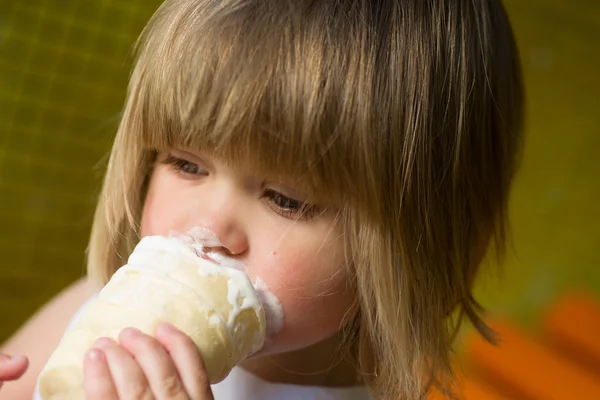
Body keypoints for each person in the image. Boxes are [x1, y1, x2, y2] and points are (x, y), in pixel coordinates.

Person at [0, 0, 524, 398]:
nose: (206, 226)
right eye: (186, 164)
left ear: (421, 242)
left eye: (287, 200)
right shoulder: (92, 302)